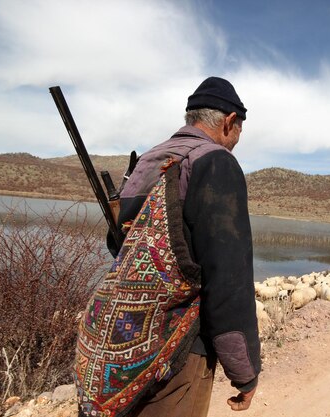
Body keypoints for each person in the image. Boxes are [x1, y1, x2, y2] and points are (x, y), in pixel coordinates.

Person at [82, 76, 260, 417]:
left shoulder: (150, 161)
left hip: (117, 348)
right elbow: (228, 279)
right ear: (229, 122)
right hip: (176, 355)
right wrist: (244, 372)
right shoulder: (215, 162)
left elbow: (119, 243)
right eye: (239, 131)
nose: (237, 141)